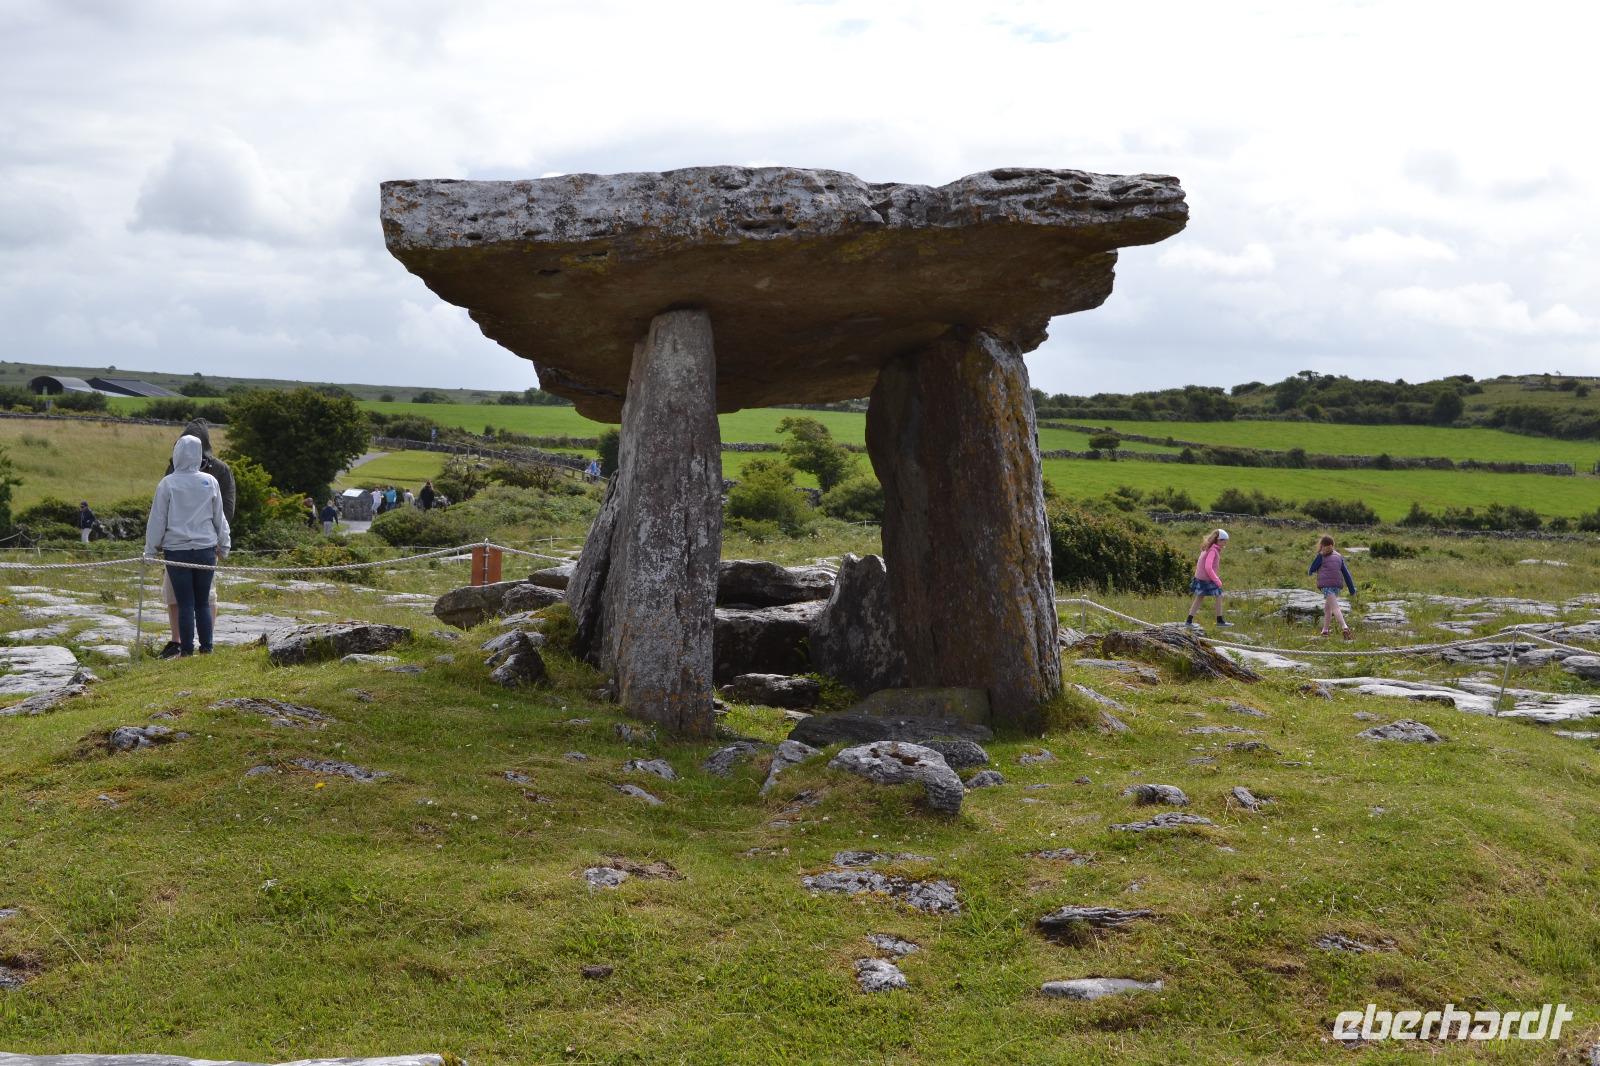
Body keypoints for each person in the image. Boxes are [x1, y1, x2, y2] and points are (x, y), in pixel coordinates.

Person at [145, 435, 230, 657]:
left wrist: (151, 550)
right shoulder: (210, 481)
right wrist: (225, 544)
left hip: (177, 550)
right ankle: (207, 649)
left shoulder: (168, 483)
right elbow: (218, 517)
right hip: (206, 549)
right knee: (202, 602)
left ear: (177, 454)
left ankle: (186, 651)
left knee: (185, 603)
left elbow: (158, 519)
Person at [1309, 535, 1358, 639]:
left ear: (1321, 545)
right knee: (1328, 608)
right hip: (1337, 586)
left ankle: (1345, 627)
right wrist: (1352, 590)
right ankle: (1325, 631)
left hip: (1326, 586)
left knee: (1335, 608)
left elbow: (1312, 569)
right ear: (1333, 545)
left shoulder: (1321, 556)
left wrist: (1318, 557)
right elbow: (1346, 574)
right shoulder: (1339, 556)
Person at [1185, 528, 1231, 629]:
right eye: (1224, 541)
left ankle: (1188, 621)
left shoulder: (1207, 547)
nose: (1225, 544)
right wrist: (1217, 580)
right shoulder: (1213, 550)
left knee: (1199, 597)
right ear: (1218, 540)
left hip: (1200, 578)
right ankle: (1220, 621)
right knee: (1219, 595)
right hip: (1207, 579)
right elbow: (1208, 567)